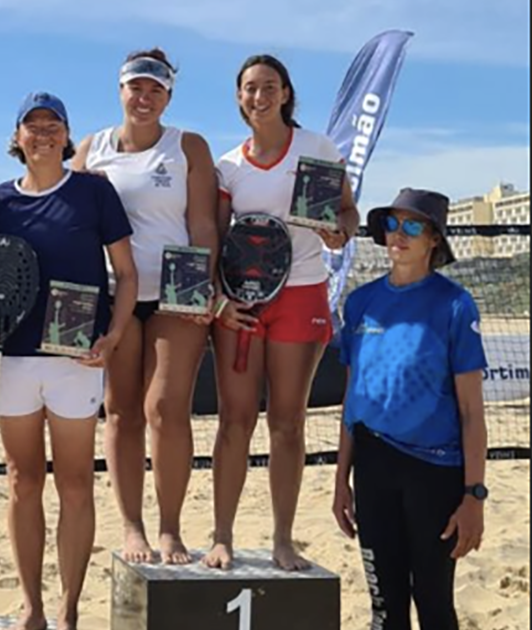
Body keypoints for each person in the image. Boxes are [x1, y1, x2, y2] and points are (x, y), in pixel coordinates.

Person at [0, 92, 138, 630]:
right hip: (14, 359)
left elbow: (127, 275)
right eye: (32, 124)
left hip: (77, 360)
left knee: (74, 483)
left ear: (67, 136)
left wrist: (113, 336)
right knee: (23, 481)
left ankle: (67, 610)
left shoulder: (94, 192)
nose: (43, 132)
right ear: (16, 138)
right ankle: (33, 607)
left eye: (53, 124)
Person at [206, 54, 361, 571]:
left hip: (301, 292)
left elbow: (347, 212)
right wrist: (220, 302)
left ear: (287, 93)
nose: (259, 96)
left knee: (288, 422)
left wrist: (339, 229)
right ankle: (222, 536)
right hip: (242, 302)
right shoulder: (227, 164)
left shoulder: (317, 148)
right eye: (249, 88)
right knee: (234, 420)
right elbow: (213, 241)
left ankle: (282, 540)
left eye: (269, 86)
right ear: (238, 97)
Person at [71, 48, 219, 565]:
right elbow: (69, 219)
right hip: (114, 294)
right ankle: (132, 526)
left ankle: (171, 529)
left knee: (165, 409)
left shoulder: (188, 147)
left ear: (169, 96)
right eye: (136, 87)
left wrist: (204, 286)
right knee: (121, 412)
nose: (145, 97)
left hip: (175, 294)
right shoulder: (93, 149)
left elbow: (202, 224)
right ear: (121, 91)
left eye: (156, 90)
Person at [333, 189, 488, 630]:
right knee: (385, 607)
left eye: (413, 226)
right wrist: (341, 480)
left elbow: (472, 413)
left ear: (433, 239)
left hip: (434, 470)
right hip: (373, 464)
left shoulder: (455, 305)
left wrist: (474, 495)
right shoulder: (360, 302)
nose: (399, 235)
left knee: (434, 601)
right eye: (392, 225)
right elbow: (352, 399)